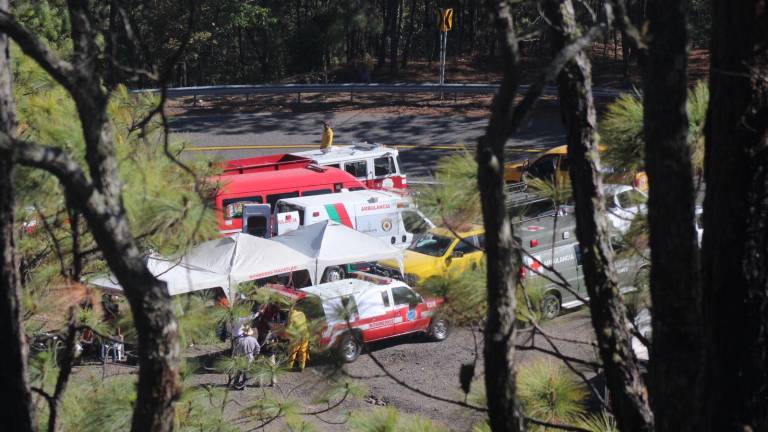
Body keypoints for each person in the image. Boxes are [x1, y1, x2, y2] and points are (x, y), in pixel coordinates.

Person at [232, 325, 260, 390]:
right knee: (246, 372)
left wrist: (234, 356)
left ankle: (235, 383)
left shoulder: (239, 340)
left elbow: (235, 350)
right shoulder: (254, 340)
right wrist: (255, 354)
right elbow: (258, 348)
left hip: (240, 358)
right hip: (250, 357)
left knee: (238, 372)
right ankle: (244, 385)